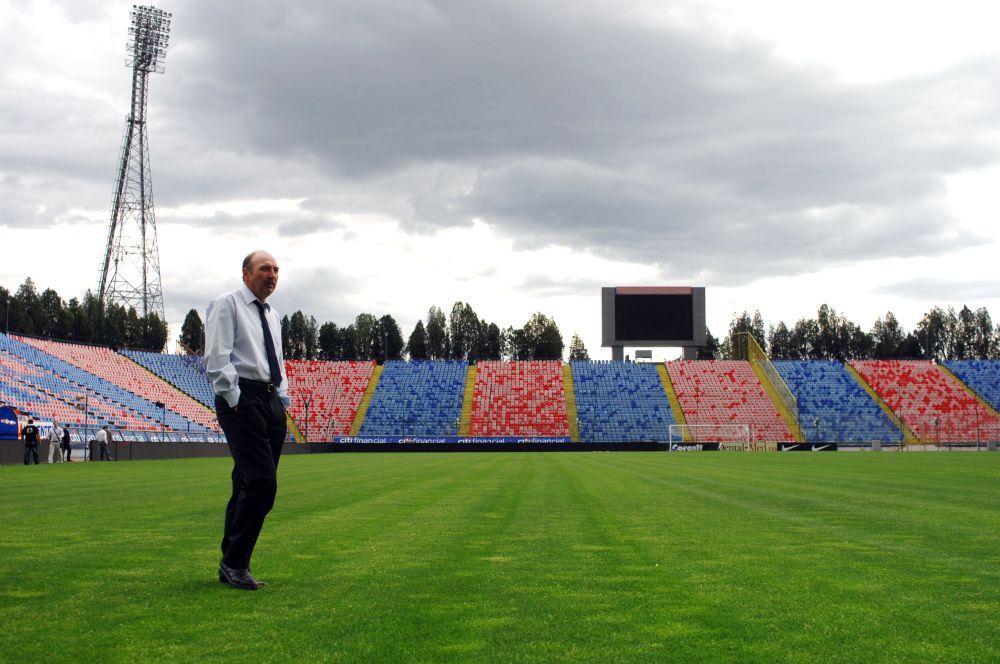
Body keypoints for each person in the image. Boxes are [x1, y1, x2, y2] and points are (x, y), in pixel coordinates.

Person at [205, 250, 290, 590]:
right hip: (243, 397)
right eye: (264, 269)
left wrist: (281, 398)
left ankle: (232, 562)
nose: (272, 275)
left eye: (276, 270)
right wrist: (234, 397)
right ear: (246, 273)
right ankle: (235, 562)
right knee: (262, 483)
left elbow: (277, 358)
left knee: (245, 482)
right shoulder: (227, 304)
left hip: (269, 399)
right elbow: (217, 355)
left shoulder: (273, 314)